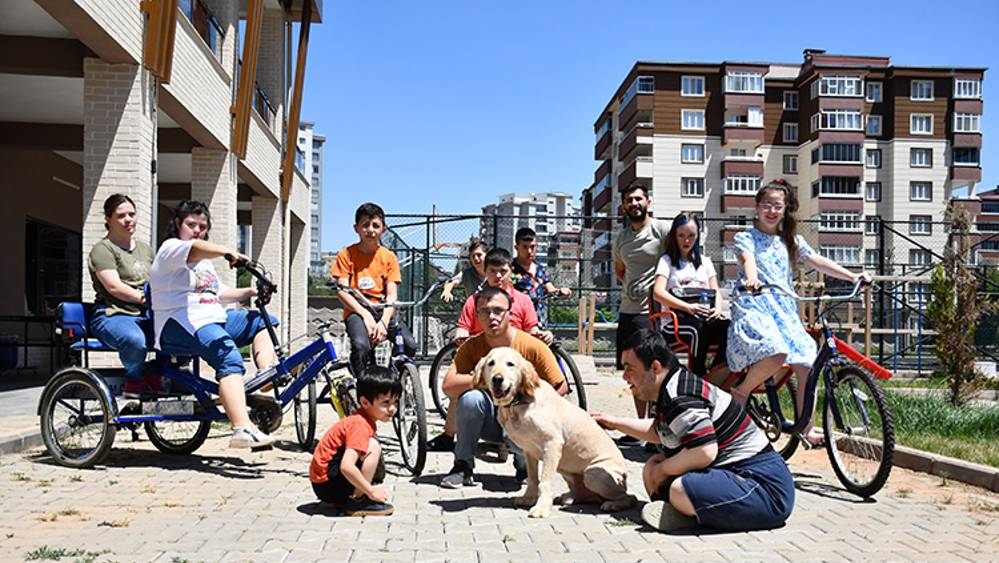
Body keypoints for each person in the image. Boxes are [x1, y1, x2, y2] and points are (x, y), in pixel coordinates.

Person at [591, 329, 794, 532]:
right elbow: (659, 430)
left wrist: (664, 470)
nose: (625, 377)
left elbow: (704, 451)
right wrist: (614, 422)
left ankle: (692, 514)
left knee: (677, 487)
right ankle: (692, 512)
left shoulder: (680, 397)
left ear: (655, 367)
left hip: (765, 489)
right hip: (735, 476)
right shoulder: (671, 387)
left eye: (629, 369)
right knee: (653, 466)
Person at [727, 180, 871, 447]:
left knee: (807, 364)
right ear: (757, 207)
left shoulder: (791, 240)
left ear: (785, 209)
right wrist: (751, 280)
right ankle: (742, 391)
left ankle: (807, 427)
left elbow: (816, 260)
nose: (771, 211)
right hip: (755, 305)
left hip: (783, 308)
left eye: (777, 206)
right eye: (766, 205)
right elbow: (748, 261)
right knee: (777, 350)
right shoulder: (745, 238)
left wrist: (852, 276)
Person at [149, 200, 279, 449]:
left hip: (212, 317)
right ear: (178, 224)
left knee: (263, 321)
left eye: (202, 226)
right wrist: (226, 251)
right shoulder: (171, 248)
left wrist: (253, 291)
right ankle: (242, 428)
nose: (197, 230)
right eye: (191, 224)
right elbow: (195, 247)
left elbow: (219, 295)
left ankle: (265, 375)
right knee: (228, 355)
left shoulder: (204, 264)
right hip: (177, 322)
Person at [426, 247, 553, 452]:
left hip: (514, 365)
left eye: (503, 271)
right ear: (485, 272)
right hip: (482, 362)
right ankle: (450, 437)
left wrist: (542, 335)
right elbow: (462, 328)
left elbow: (532, 329)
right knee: (459, 386)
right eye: (493, 271)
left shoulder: (523, 300)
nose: (498, 276)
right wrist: (461, 337)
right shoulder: (473, 301)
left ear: (511, 271)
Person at [439, 287, 567, 488]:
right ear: (477, 315)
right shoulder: (471, 347)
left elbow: (561, 386)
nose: (492, 317)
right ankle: (462, 466)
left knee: (526, 413)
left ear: (510, 313)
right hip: (491, 421)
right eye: (484, 311)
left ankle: (525, 465)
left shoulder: (532, 346)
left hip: (524, 420)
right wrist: (482, 379)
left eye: (498, 310)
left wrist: (531, 407)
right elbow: (448, 386)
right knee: (470, 399)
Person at [331, 202, 416, 378]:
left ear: (383, 230)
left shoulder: (389, 257)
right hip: (356, 310)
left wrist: (384, 321)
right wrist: (365, 315)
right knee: (361, 346)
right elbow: (342, 291)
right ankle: (363, 385)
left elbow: (392, 295)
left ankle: (393, 380)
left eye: (376, 225)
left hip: (382, 310)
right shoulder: (346, 254)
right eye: (365, 225)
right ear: (356, 228)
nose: (370, 230)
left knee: (409, 345)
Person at [88, 194, 158, 398]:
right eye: (121, 216)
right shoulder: (103, 249)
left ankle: (154, 372)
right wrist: (144, 298)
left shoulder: (145, 249)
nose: (128, 219)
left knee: (183, 334)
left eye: (132, 214)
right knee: (135, 341)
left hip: (146, 314)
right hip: (113, 313)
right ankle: (135, 378)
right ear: (108, 220)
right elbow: (114, 287)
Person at [613, 181, 670, 431]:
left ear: (648, 202)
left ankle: (662, 423)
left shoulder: (661, 231)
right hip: (628, 311)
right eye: (629, 200)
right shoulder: (621, 239)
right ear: (623, 206)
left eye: (638, 199)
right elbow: (619, 271)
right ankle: (641, 426)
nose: (634, 204)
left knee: (655, 370)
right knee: (632, 370)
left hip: (653, 313)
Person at [309, 366, 399, 516]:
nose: (392, 409)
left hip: (322, 483)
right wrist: (371, 492)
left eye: (395, 402)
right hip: (327, 485)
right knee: (373, 447)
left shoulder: (361, 419)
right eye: (385, 403)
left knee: (370, 446)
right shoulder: (359, 425)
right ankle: (359, 501)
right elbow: (346, 466)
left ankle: (357, 495)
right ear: (364, 402)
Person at [651, 213, 729, 377]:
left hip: (703, 318)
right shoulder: (667, 261)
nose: (686, 240)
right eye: (681, 235)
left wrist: (718, 309)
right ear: (675, 236)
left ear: (698, 235)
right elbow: (658, 293)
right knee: (697, 329)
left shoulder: (705, 262)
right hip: (676, 321)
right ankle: (697, 373)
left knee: (729, 326)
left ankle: (718, 370)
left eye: (691, 235)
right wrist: (688, 307)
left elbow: (716, 291)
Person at [511, 227, 571, 327]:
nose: (530, 251)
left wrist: (561, 292)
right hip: (518, 322)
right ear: (516, 248)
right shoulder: (510, 269)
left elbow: (550, 289)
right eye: (525, 247)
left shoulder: (540, 269)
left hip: (540, 321)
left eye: (533, 247)